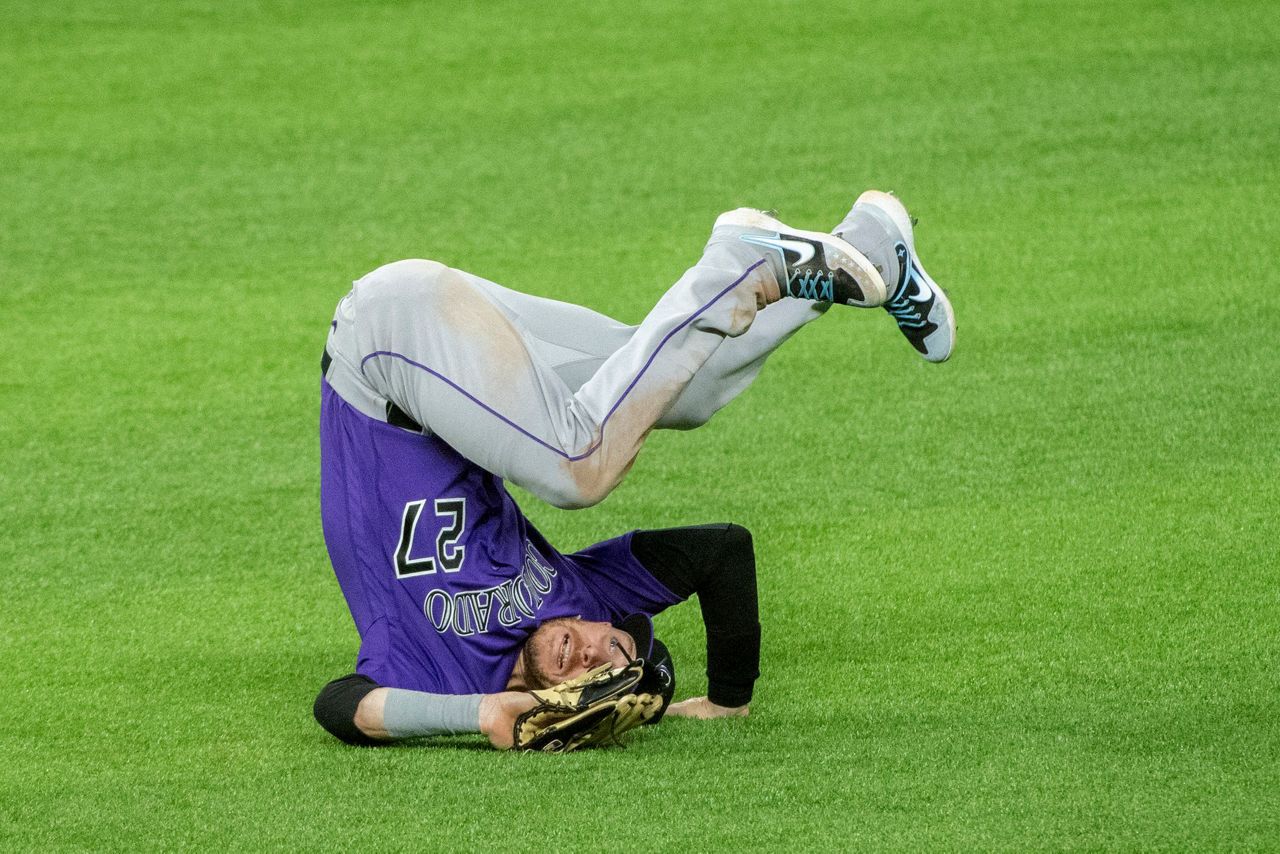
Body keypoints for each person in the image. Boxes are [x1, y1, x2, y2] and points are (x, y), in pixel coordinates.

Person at [312, 191, 954, 749]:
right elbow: (723, 553)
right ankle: (746, 262)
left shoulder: (434, 670)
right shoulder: (587, 599)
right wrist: (729, 700)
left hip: (385, 357)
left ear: (563, 710)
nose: (592, 653)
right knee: (585, 459)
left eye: (597, 677)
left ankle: (861, 246)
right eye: (613, 651)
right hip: (419, 345)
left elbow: (340, 705)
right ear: (610, 622)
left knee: (672, 401)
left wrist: (479, 714)